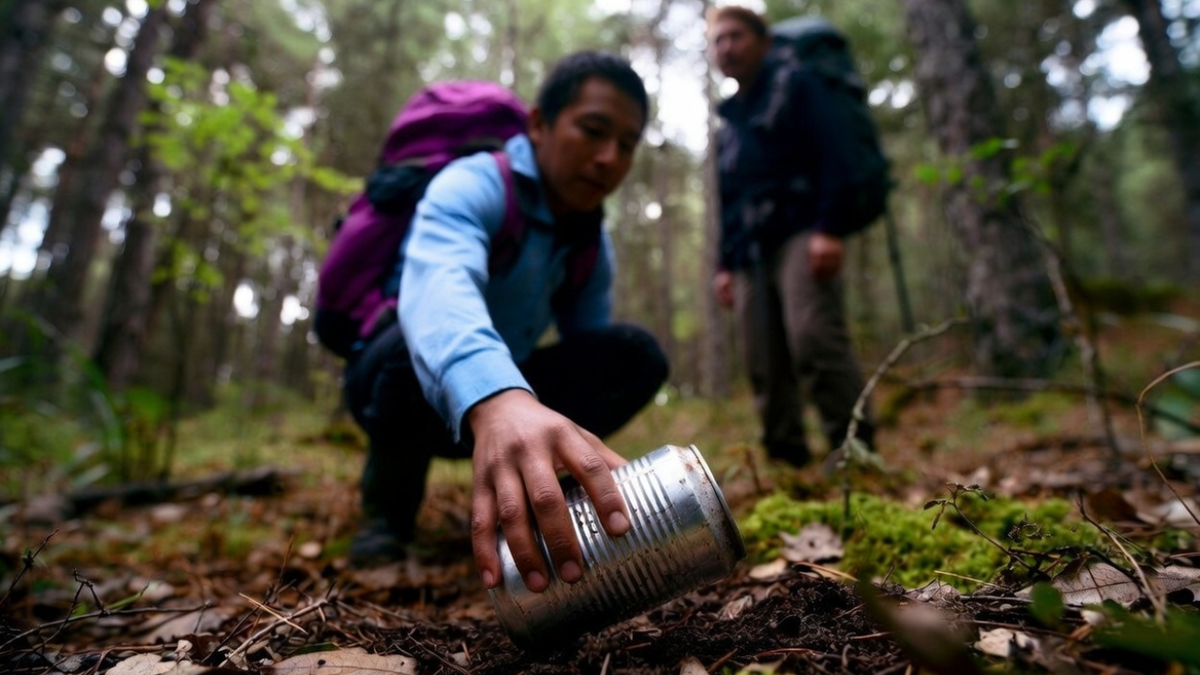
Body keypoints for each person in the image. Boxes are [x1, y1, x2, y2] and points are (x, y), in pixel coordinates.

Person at [342, 51, 668, 594]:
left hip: (507, 412)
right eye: (593, 130)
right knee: (408, 342)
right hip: (397, 388)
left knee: (632, 355)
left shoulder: (587, 242)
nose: (609, 158)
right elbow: (438, 288)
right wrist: (496, 395)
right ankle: (385, 519)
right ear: (539, 124)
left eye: (627, 145)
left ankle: (545, 498)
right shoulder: (472, 183)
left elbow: (587, 361)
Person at [709, 6, 874, 469]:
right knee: (762, 360)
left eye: (736, 36)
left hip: (803, 229)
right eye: (718, 41)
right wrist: (723, 264)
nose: (726, 47)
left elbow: (835, 152)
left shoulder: (797, 84)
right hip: (747, 252)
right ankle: (788, 463)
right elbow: (729, 199)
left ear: (764, 40)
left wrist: (829, 227)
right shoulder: (729, 125)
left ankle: (855, 453)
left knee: (814, 337)